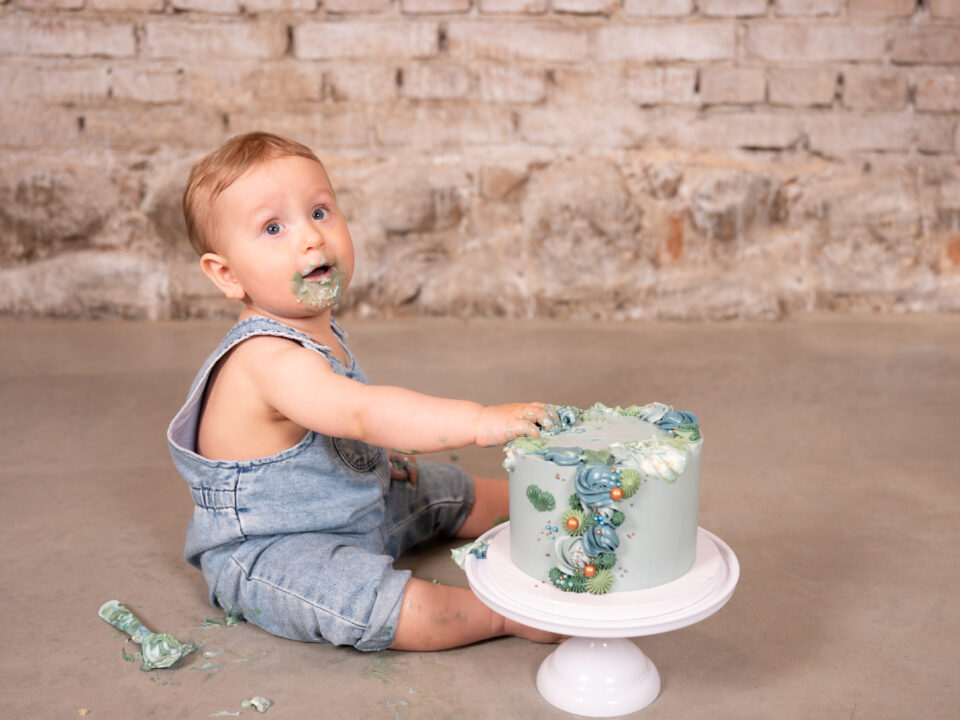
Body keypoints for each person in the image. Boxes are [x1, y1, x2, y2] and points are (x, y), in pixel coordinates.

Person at [167, 131, 561, 652]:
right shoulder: (268, 359)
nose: (311, 238)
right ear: (226, 274)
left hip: (354, 505)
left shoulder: (309, 326)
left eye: (319, 212)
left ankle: (555, 508)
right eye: (273, 228)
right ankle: (498, 615)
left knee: (438, 488)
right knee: (359, 599)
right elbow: (362, 414)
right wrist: (479, 420)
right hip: (276, 549)